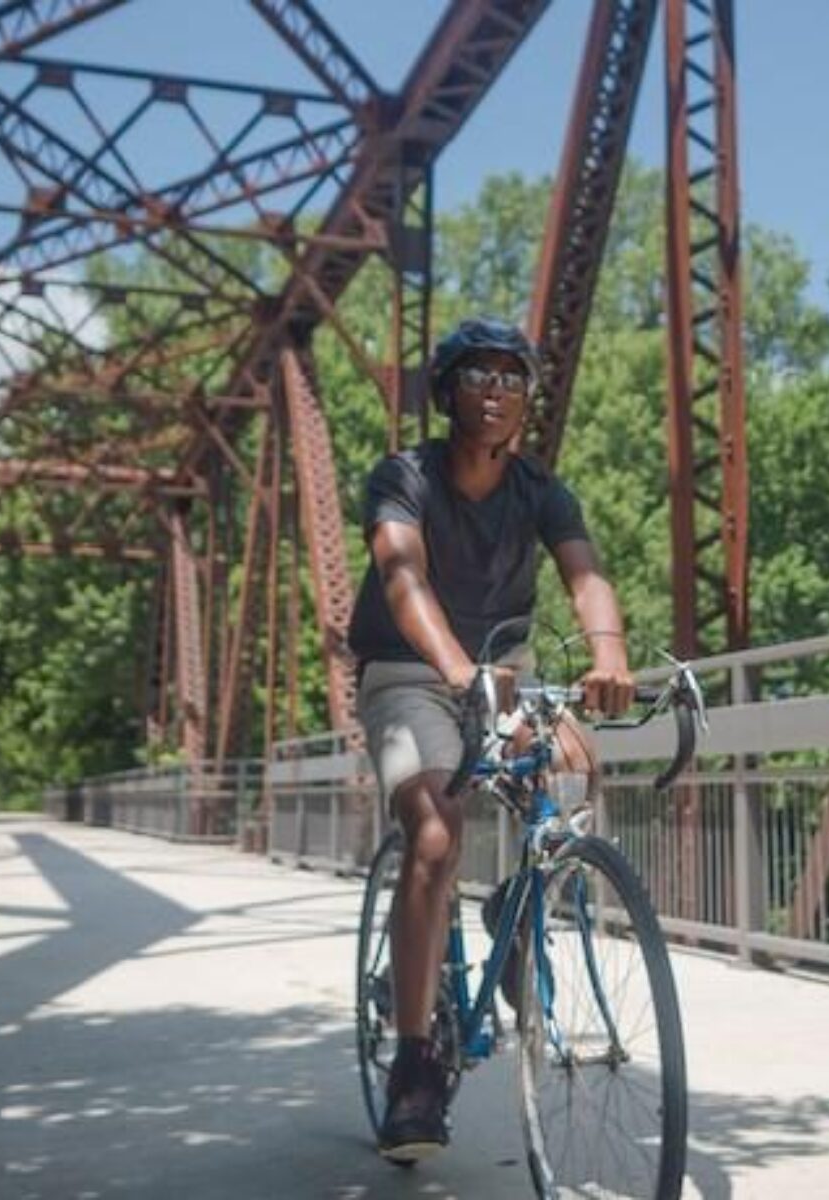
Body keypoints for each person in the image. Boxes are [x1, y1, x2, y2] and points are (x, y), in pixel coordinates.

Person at [348, 316, 636, 1163]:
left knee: (578, 773)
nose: (497, 390)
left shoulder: (542, 489)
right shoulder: (403, 476)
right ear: (447, 393)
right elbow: (402, 578)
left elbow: (586, 576)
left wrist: (609, 656)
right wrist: (454, 668)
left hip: (504, 666)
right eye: (478, 374)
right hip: (407, 669)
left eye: (513, 376)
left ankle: (518, 915)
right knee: (436, 831)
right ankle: (413, 1064)